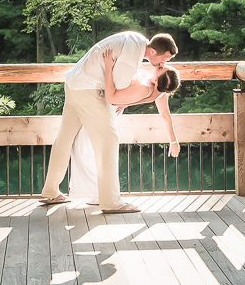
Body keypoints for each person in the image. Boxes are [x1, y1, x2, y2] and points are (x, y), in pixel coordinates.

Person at [39, 31, 178, 213]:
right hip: (88, 89)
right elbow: (114, 95)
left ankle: (51, 191)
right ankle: (111, 201)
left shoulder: (134, 39)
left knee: (65, 137)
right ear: (153, 52)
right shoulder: (131, 58)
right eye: (163, 60)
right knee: (109, 140)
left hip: (74, 83)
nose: (163, 64)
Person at [69, 59, 181, 203]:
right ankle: (97, 192)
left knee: (84, 147)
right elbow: (163, 114)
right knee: (83, 146)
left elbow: (164, 114)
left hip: (109, 109)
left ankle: (99, 193)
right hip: (108, 107)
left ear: (156, 79)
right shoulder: (157, 88)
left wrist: (125, 103)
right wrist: (173, 141)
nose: (162, 65)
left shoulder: (150, 89)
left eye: (162, 69)